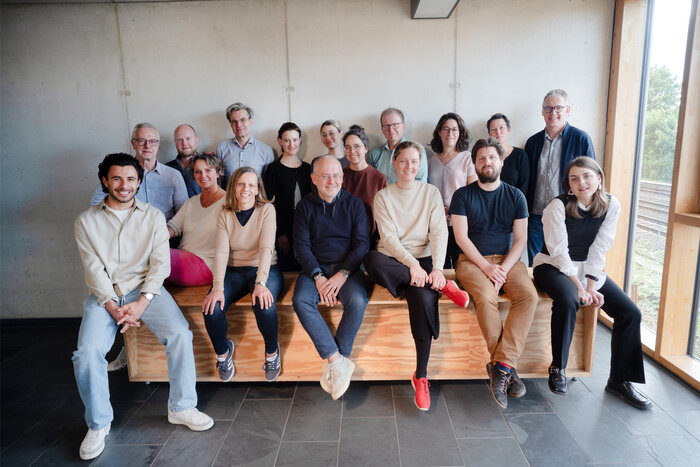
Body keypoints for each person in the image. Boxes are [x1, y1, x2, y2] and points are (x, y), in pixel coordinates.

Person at [73, 153, 213, 461]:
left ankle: (182, 407)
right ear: (105, 181)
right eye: (117, 178)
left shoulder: (153, 217)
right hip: (105, 295)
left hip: (146, 290)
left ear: (139, 182)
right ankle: (98, 424)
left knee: (180, 334)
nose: (124, 185)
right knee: (87, 354)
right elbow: (93, 270)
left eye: (131, 179)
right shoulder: (86, 221)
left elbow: (160, 264)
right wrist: (113, 307)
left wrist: (141, 303)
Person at [533, 157, 651, 409]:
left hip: (588, 269)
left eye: (587, 176)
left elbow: (600, 248)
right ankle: (558, 367)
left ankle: (619, 380)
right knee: (568, 298)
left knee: (630, 312)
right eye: (574, 178)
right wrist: (579, 288)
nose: (581, 182)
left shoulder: (611, 205)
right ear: (569, 185)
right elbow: (559, 252)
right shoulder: (557, 206)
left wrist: (590, 286)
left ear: (599, 179)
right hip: (552, 266)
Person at [364, 141, 470, 412]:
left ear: (420, 164)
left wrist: (437, 269)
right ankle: (441, 286)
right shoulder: (383, 196)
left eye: (414, 161)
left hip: (425, 261)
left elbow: (439, 232)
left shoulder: (431, 193)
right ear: (394, 163)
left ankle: (420, 376)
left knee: (422, 301)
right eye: (403, 161)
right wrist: (412, 265)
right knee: (371, 259)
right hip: (394, 260)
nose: (409, 166)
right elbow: (388, 238)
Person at [450, 137, 537, 409]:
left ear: (501, 162)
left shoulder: (516, 196)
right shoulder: (462, 195)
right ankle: (507, 367)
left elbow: (520, 240)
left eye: (492, 157)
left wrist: (503, 269)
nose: (487, 162)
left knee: (529, 297)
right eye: (481, 158)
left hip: (508, 260)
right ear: (475, 164)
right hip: (471, 261)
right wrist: (487, 267)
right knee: (486, 297)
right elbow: (461, 238)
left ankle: (501, 366)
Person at [292, 156, 370, 400]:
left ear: (342, 177)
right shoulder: (304, 207)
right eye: (325, 176)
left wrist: (342, 274)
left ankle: (339, 361)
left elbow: (362, 244)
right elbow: (301, 247)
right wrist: (317, 276)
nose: (332, 181)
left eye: (336, 175)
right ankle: (337, 361)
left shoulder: (355, 205)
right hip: (314, 269)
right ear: (314, 179)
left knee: (357, 301)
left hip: (347, 270)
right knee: (300, 300)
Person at [202, 167, 283, 382]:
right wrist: (217, 288)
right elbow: (221, 252)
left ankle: (272, 352)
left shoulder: (267, 210)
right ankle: (223, 354)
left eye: (251, 185)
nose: (245, 189)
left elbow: (266, 248)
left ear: (257, 189)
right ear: (234, 187)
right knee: (212, 308)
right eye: (241, 184)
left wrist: (261, 282)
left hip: (265, 269)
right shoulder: (224, 213)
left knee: (264, 304)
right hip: (234, 270)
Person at [525, 89, 595, 264]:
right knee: (537, 265)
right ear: (542, 112)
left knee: (565, 265)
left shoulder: (581, 139)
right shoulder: (533, 142)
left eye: (558, 108)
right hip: (536, 217)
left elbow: (590, 179)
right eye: (548, 108)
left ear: (567, 110)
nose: (553, 113)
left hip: (568, 215)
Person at [89, 123, 187, 221]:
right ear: (133, 144)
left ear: (158, 144)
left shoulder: (174, 175)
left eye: (152, 141)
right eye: (141, 141)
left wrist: (166, 230)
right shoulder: (119, 173)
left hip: (166, 229)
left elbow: (183, 214)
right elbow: (94, 208)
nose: (147, 146)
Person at [166, 154, 226, 286]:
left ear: (217, 172)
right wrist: (151, 240)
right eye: (197, 171)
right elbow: (173, 227)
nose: (202, 175)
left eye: (208, 170)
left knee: (154, 255)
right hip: (182, 260)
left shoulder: (229, 203)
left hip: (206, 264)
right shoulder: (192, 202)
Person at [428, 112, 477, 268]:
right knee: (439, 267)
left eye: (455, 129)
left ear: (460, 133)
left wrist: (454, 209)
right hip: (436, 223)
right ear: (439, 132)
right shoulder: (430, 161)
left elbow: (474, 193)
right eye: (446, 129)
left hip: (460, 222)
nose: (450, 133)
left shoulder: (468, 158)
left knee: (460, 266)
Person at [262, 122, 312, 271]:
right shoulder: (273, 169)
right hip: (283, 228)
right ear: (280, 141)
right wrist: (279, 233)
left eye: (295, 140)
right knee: (287, 267)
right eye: (287, 140)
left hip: (305, 227)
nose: (291, 144)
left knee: (306, 266)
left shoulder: (307, 168)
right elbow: (268, 204)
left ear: (300, 140)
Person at [341, 124, 388, 247]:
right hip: (344, 240)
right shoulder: (339, 177)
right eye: (347, 147)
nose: (352, 151)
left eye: (357, 146)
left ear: (366, 148)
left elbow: (385, 216)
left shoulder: (379, 178)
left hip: (372, 241)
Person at [216, 102, 275, 184]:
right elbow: (219, 181)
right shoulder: (222, 148)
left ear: (251, 121)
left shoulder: (266, 151)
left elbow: (269, 183)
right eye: (234, 121)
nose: (238, 125)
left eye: (242, 120)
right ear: (231, 124)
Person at [368, 107, 428, 184]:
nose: (391, 129)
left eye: (395, 124)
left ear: (403, 126)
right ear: (382, 129)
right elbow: (372, 183)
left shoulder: (417, 150)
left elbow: (421, 183)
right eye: (386, 126)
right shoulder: (375, 154)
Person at [486, 113, 529, 196]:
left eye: (501, 128)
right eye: (493, 129)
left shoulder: (520, 155)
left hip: (515, 202)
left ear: (508, 130)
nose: (498, 132)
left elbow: (524, 186)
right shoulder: (486, 157)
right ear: (489, 134)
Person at [166, 124, 214, 198]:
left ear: (196, 139)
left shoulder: (210, 166)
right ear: (175, 142)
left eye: (188, 138)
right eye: (180, 140)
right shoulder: (166, 169)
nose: (184, 143)